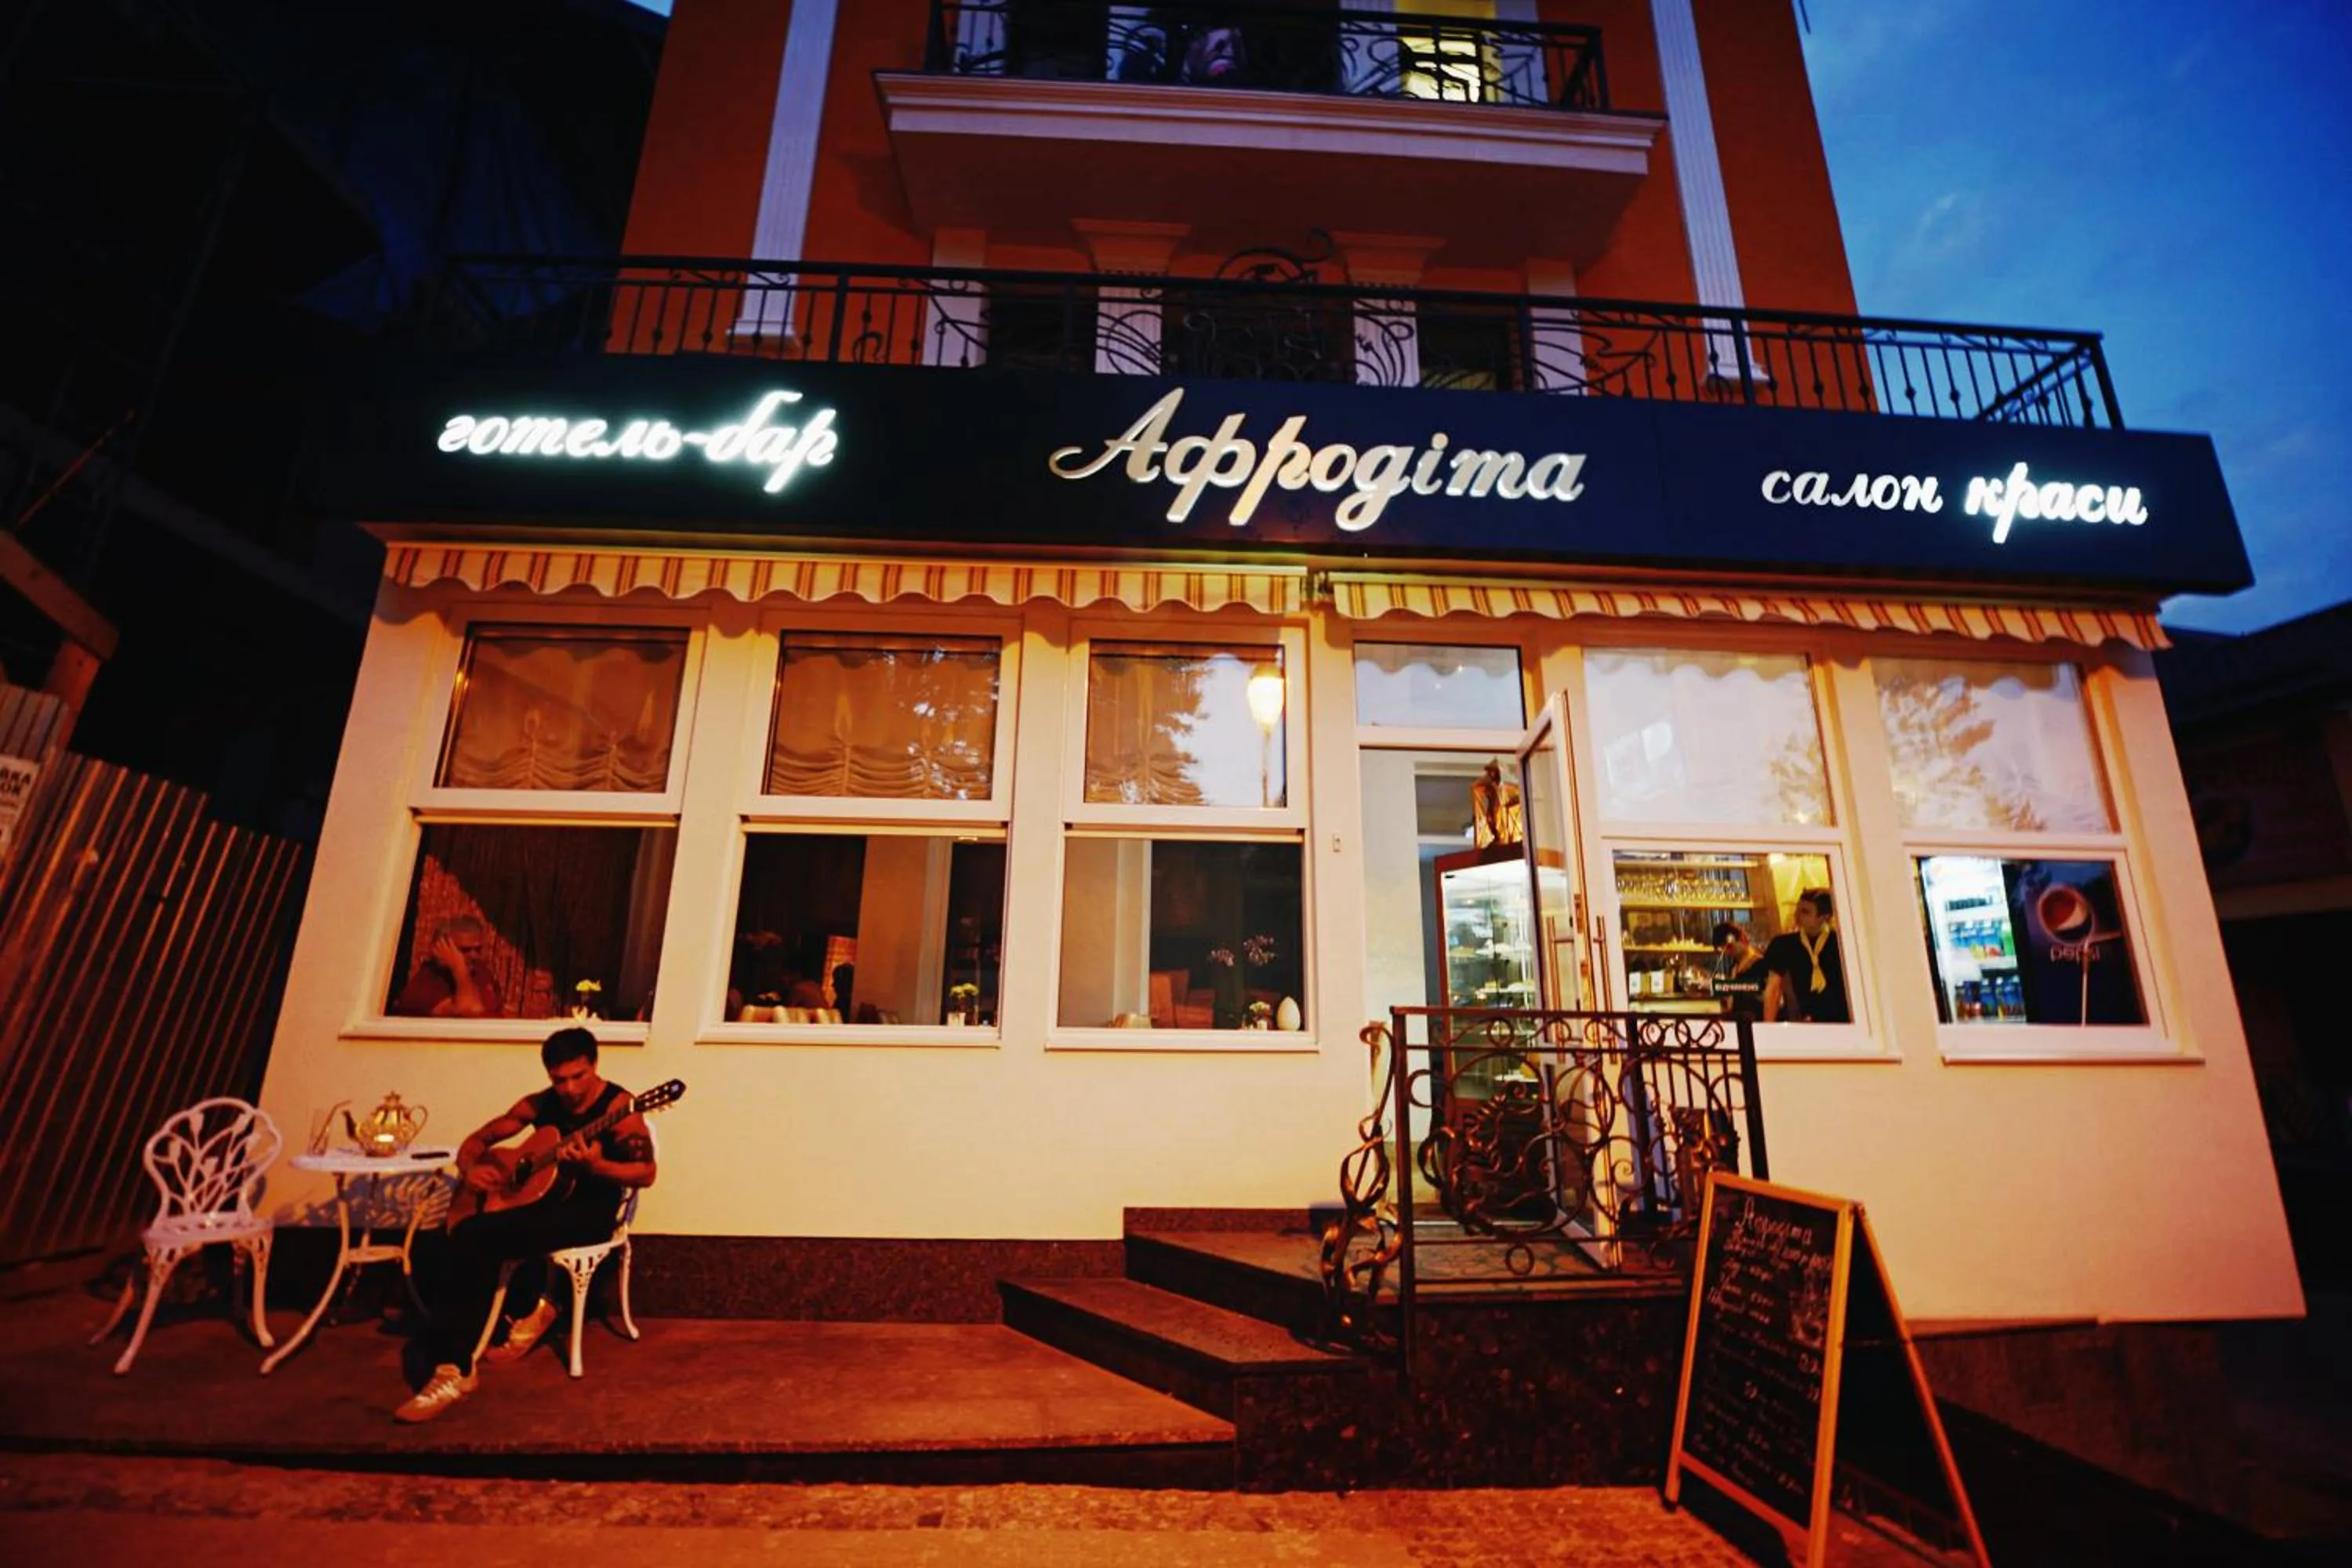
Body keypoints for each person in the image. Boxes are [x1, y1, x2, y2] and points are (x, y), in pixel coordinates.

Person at [394, 1027, 656, 1422]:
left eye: (577, 1077)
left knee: (474, 1236)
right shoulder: (540, 1104)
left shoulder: (621, 1108)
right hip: (540, 1205)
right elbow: (478, 1140)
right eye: (559, 1079)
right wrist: (471, 1170)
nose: (568, 1089)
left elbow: (646, 1172)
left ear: (594, 1065)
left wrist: (597, 1165)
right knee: (450, 1236)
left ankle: (453, 1370)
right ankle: (462, 1345)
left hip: (589, 1214)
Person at [1762, 888, 1849, 1024]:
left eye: (1805, 912)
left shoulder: (1841, 943)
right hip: (1802, 1020)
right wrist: (1769, 1027)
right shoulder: (1783, 944)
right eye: (1798, 910)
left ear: (1825, 917)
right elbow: (1773, 989)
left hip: (1843, 1021)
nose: (1797, 915)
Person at [388, 915, 503, 1018]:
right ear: (441, 949)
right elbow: (470, 1012)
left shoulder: (480, 971)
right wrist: (459, 967)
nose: (474, 956)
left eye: (478, 950)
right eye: (464, 950)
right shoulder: (425, 987)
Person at [1710, 920, 1769, 1023]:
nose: (1728, 953)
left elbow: (1769, 998)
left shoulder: (1762, 965)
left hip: (1758, 1023)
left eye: (1729, 947)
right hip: (1739, 1023)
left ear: (1742, 938)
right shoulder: (1734, 967)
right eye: (1724, 950)